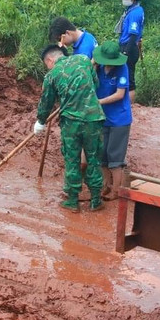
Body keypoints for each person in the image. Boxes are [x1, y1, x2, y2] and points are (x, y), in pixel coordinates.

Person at [34, 44, 107, 212]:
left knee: (72, 160)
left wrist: (40, 121)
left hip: (71, 123)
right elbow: (95, 85)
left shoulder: (52, 75)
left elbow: (46, 103)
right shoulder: (83, 60)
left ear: (50, 60)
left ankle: (73, 201)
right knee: (94, 159)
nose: (48, 67)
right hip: (94, 118)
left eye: (46, 64)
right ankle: (96, 200)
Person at [94, 40, 132, 201]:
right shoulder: (98, 68)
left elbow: (119, 95)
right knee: (103, 155)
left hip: (119, 120)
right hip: (103, 118)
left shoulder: (122, 69)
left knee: (115, 158)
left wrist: (98, 102)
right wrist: (93, 64)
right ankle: (105, 185)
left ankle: (117, 191)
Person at [115, 0, 145, 92]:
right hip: (126, 45)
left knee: (129, 77)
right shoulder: (130, 10)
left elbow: (133, 35)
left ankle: (132, 106)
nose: (123, 0)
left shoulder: (135, 13)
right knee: (124, 74)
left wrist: (126, 52)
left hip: (129, 46)